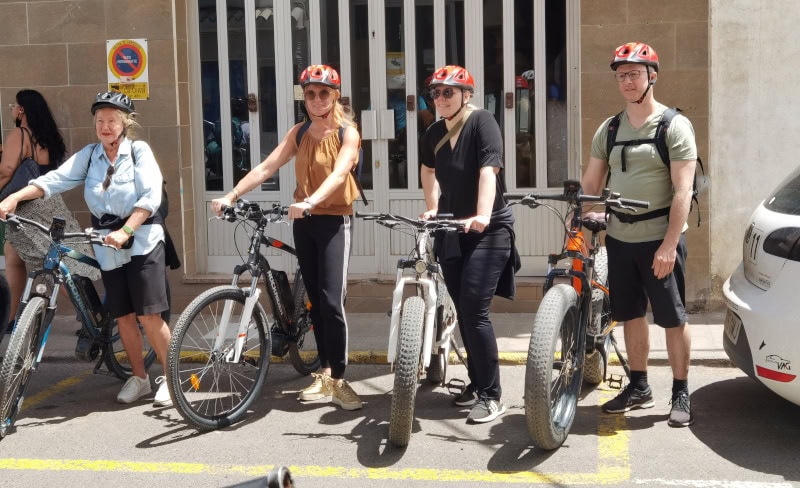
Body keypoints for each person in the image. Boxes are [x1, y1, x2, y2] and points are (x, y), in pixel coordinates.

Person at [0, 91, 174, 408]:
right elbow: (54, 179)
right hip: (108, 243)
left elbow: (150, 197)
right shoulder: (91, 155)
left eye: (111, 120)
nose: (105, 126)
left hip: (143, 238)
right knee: (123, 316)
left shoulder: (139, 152)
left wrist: (126, 230)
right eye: (100, 121)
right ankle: (140, 378)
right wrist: (16, 197)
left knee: (149, 316)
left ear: (124, 124)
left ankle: (173, 381)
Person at [210, 64, 363, 411]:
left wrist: (311, 201)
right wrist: (231, 195)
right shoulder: (300, 131)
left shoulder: (347, 132)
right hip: (304, 222)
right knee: (315, 302)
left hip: (333, 221)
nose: (317, 99)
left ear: (335, 96)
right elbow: (267, 167)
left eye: (324, 92)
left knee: (331, 302)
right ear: (304, 97)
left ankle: (339, 378)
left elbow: (340, 173)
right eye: (310, 93)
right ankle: (324, 373)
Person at [580, 42, 697, 427]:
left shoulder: (673, 126)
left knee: (672, 317)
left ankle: (680, 390)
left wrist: (668, 244)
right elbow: (592, 183)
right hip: (620, 239)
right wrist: (585, 214)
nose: (627, 81)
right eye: (621, 75)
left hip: (659, 239)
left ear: (653, 76)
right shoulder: (609, 128)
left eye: (634, 73)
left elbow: (684, 191)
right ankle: (640, 386)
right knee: (630, 315)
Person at [419, 65, 519, 424]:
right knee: (463, 310)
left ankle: (492, 396)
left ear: (466, 95)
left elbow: (488, 171)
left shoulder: (483, 123)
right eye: (436, 93)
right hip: (451, 228)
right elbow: (428, 170)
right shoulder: (432, 133)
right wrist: (434, 207)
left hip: (489, 230)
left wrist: (482, 214)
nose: (441, 99)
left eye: (449, 92)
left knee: (475, 310)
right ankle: (477, 385)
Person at [0, 90, 100, 342]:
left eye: (15, 105)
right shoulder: (47, 137)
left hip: (24, 205)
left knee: (57, 265)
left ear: (21, 110)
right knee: (13, 257)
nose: (12, 109)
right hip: (48, 202)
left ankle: (89, 314)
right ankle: (11, 320)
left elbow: (7, 169)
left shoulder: (20, 134)